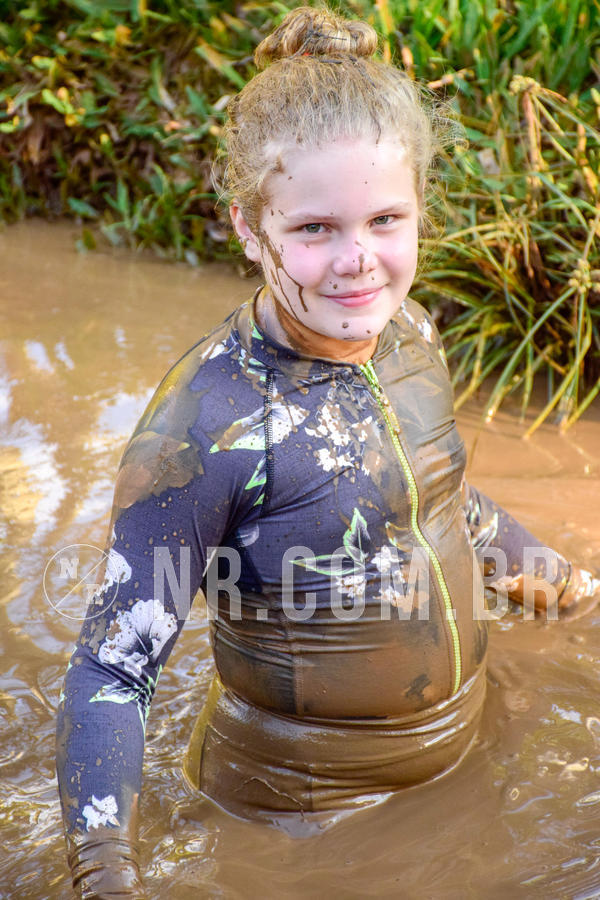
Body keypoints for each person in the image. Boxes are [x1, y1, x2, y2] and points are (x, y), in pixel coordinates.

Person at [55, 6, 600, 897]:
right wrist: (103, 874)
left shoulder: (412, 334)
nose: (359, 261)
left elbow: (442, 502)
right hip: (309, 828)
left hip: (468, 754)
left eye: (386, 219)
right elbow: (112, 670)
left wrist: (568, 589)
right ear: (249, 226)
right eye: (314, 229)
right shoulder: (210, 424)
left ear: (420, 209)